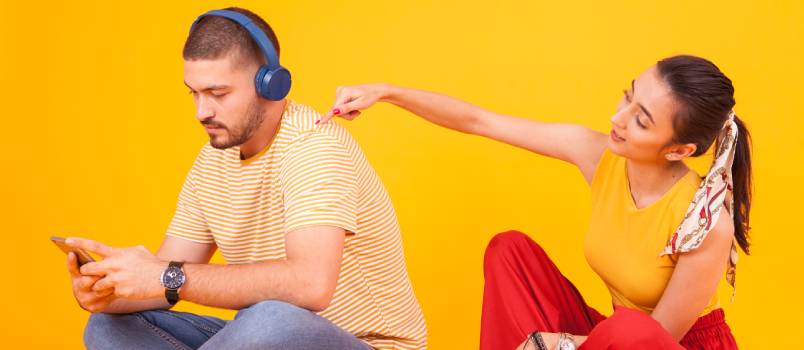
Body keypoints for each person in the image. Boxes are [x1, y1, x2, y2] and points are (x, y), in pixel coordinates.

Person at [318, 55, 750, 349]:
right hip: (606, 338)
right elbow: (479, 120)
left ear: (679, 150)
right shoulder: (597, 154)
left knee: (629, 328)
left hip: (661, 344)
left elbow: (653, 337)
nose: (617, 119)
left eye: (640, 120)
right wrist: (387, 92)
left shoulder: (708, 223)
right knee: (510, 251)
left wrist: (554, 344)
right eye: (628, 95)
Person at [66, 7, 427, 350]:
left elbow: (311, 285)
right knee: (109, 326)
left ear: (271, 85)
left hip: (365, 343)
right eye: (193, 93)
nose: (201, 111)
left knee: (271, 318)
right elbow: (163, 278)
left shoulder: (315, 147)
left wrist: (164, 276)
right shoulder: (210, 163)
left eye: (217, 94)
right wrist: (111, 291)